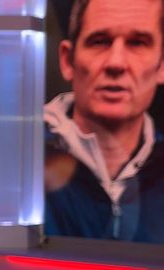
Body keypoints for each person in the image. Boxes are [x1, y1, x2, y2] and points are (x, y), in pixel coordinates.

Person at [44, 0, 164, 243]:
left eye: (137, 43)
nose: (115, 63)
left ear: (161, 66)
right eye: (99, 41)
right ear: (67, 60)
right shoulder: (13, 162)